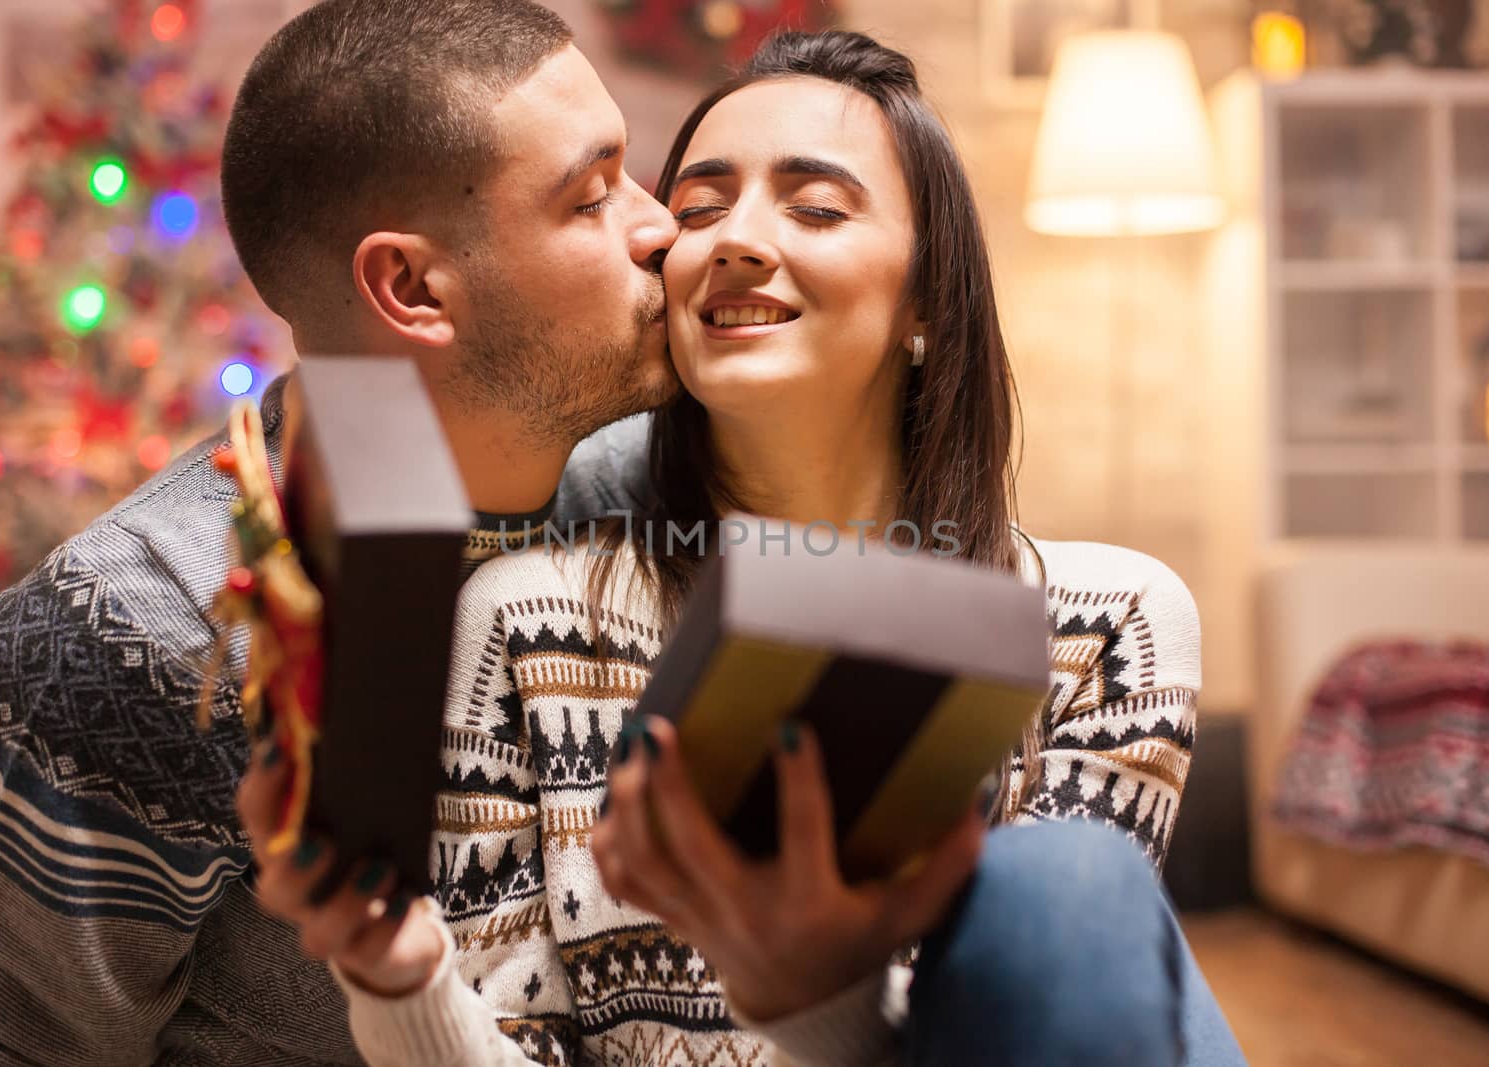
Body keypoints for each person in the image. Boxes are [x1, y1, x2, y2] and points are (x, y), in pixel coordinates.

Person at [240, 29, 1248, 1067]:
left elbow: (1063, 1020)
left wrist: (816, 1000)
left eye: (814, 207)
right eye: (700, 208)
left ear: (927, 310)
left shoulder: (1103, 623)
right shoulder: (524, 618)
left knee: (1065, 885)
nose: (733, 240)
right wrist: (401, 973)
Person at [0, 1, 682, 1062]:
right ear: (411, 286)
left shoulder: (647, 501)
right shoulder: (138, 631)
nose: (662, 227)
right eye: (593, 195)